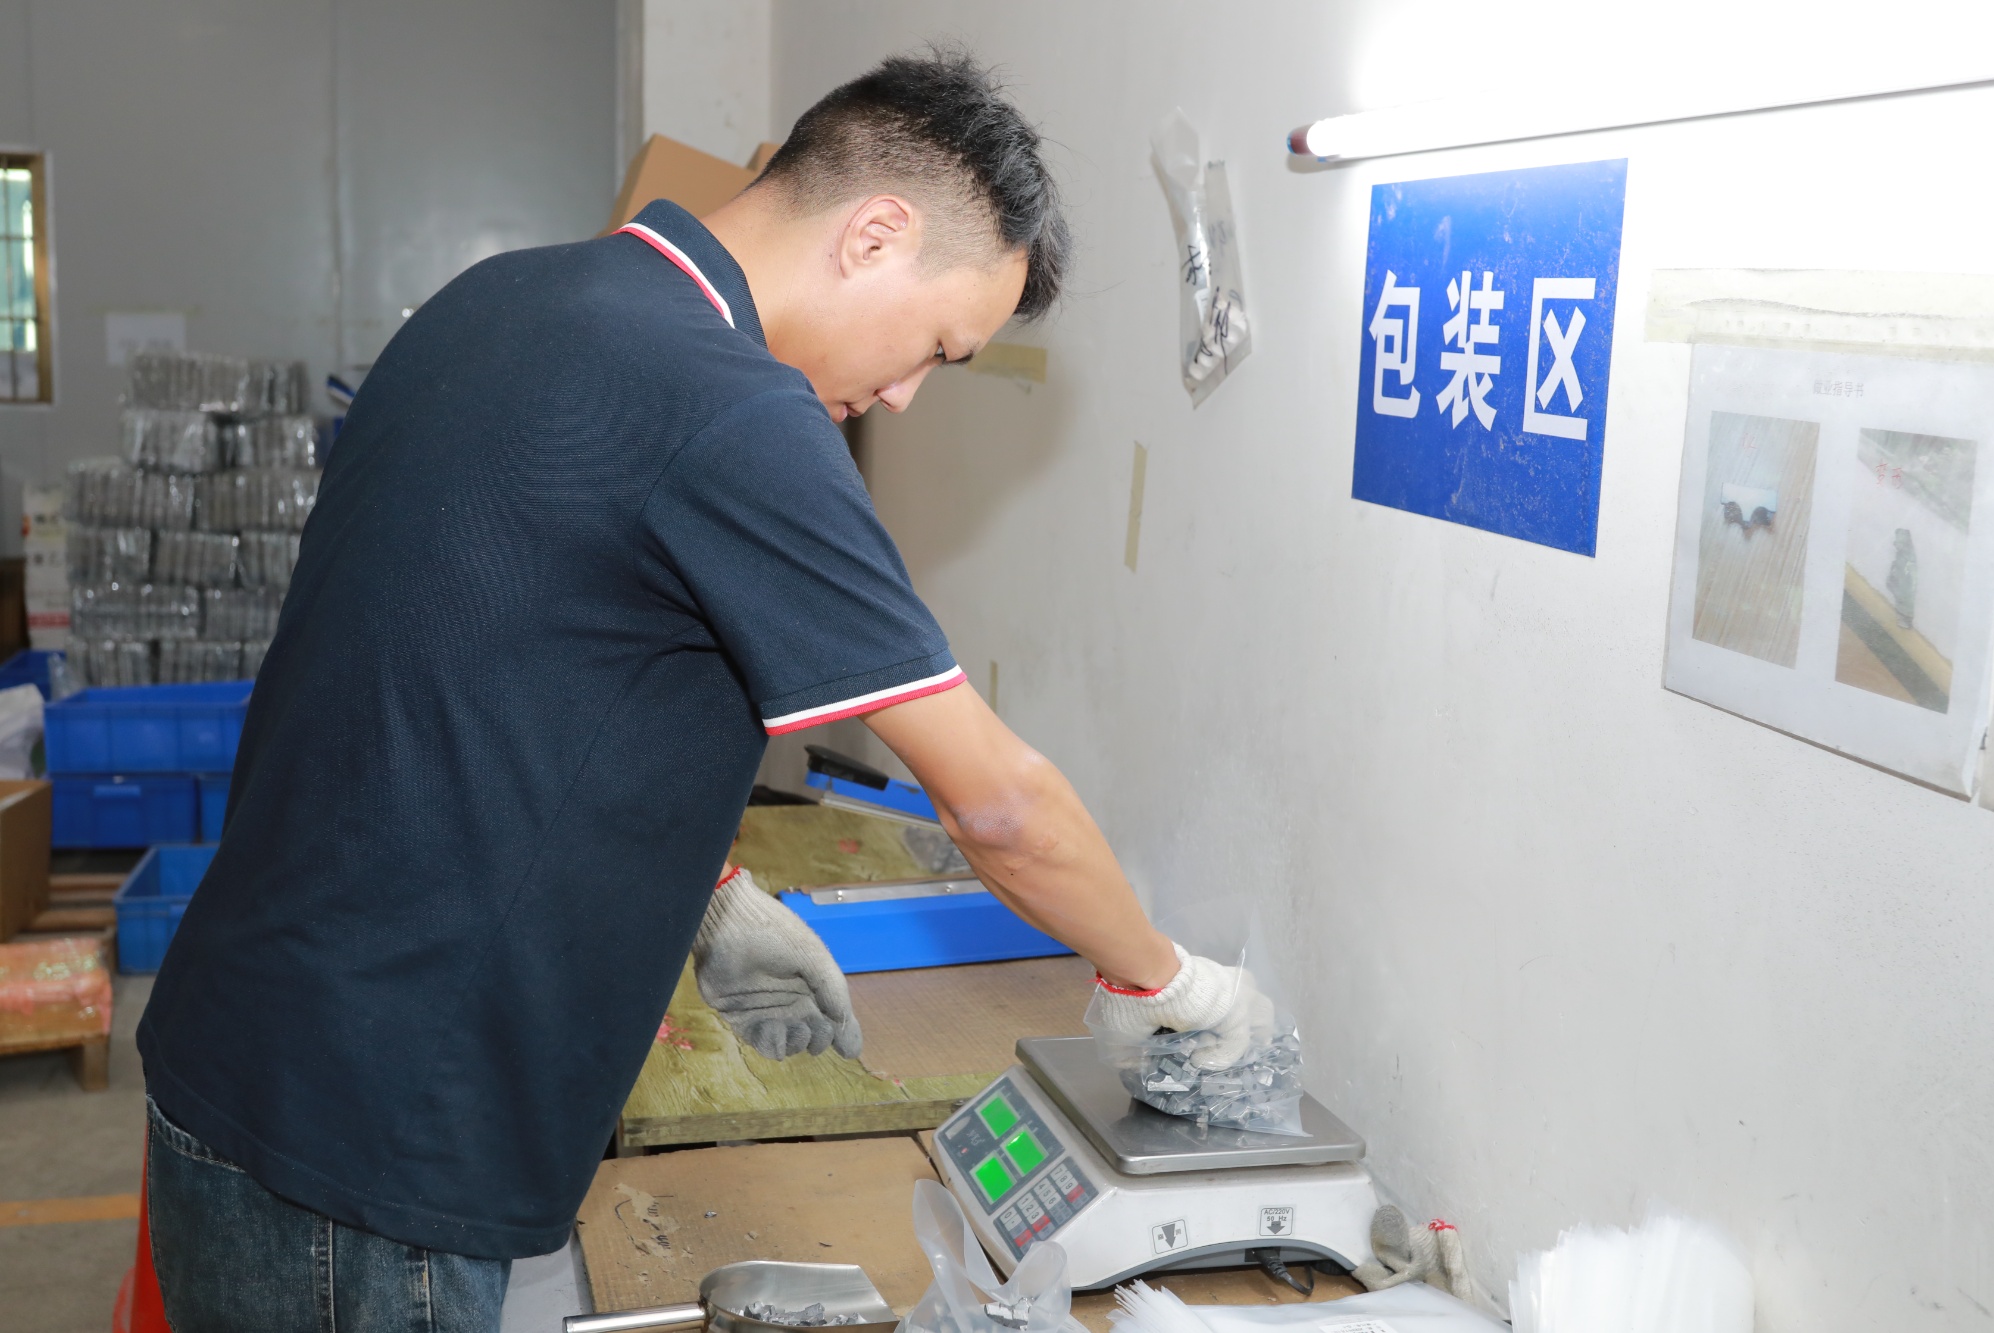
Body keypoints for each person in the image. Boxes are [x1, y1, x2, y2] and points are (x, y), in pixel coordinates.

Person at [137, 47, 1253, 1332]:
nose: (902, 395)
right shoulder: (734, 410)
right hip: (374, 1153)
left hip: (248, 1055)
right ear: (874, 235)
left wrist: (708, 896)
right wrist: (1170, 987)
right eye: (938, 347)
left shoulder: (506, 298)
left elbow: (469, 677)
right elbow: (998, 806)